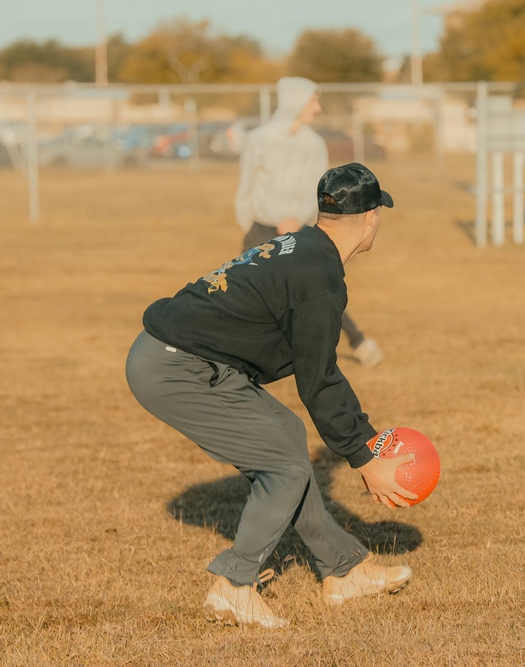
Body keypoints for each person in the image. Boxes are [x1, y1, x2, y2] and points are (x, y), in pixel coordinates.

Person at [126, 163, 417, 629]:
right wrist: (364, 457)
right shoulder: (318, 277)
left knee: (286, 434)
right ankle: (234, 586)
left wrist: (360, 443)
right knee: (284, 466)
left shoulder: (305, 245)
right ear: (371, 219)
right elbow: (318, 379)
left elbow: (317, 372)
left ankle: (343, 570)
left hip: (185, 357)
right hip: (173, 366)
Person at [235, 76, 384, 368]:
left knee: (316, 288)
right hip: (260, 230)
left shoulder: (314, 144)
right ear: (296, 102)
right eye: (313, 100)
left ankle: (358, 340)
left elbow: (317, 191)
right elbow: (246, 189)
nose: (317, 108)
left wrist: (297, 220)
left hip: (297, 229)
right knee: (245, 292)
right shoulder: (259, 139)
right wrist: (251, 227)